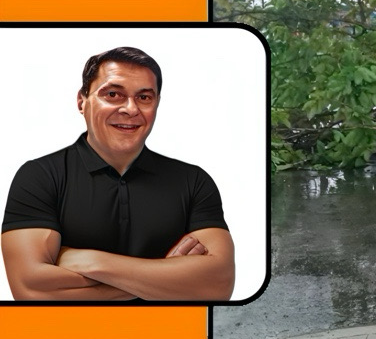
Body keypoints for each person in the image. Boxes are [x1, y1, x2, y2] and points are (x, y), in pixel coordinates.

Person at [1, 47, 235, 300]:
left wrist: (89, 261)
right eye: (113, 94)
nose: (130, 109)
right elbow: (30, 290)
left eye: (144, 97)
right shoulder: (40, 176)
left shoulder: (193, 181)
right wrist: (165, 279)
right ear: (82, 101)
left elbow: (218, 285)